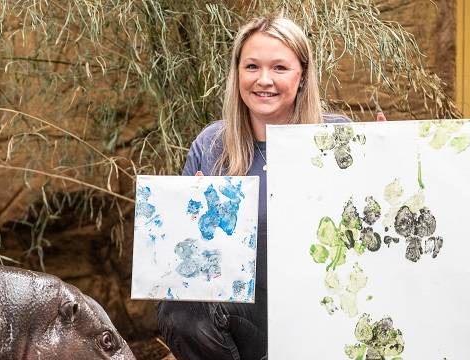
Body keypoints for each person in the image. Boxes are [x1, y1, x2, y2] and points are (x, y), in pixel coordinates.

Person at [156, 14, 385, 360]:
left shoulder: (337, 139)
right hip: (245, 317)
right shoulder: (211, 145)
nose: (264, 80)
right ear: (237, 73)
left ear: (302, 75)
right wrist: (193, 221)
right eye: (252, 66)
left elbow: (369, 243)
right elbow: (183, 267)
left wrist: (383, 169)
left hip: (319, 311)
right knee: (182, 309)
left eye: (279, 67)